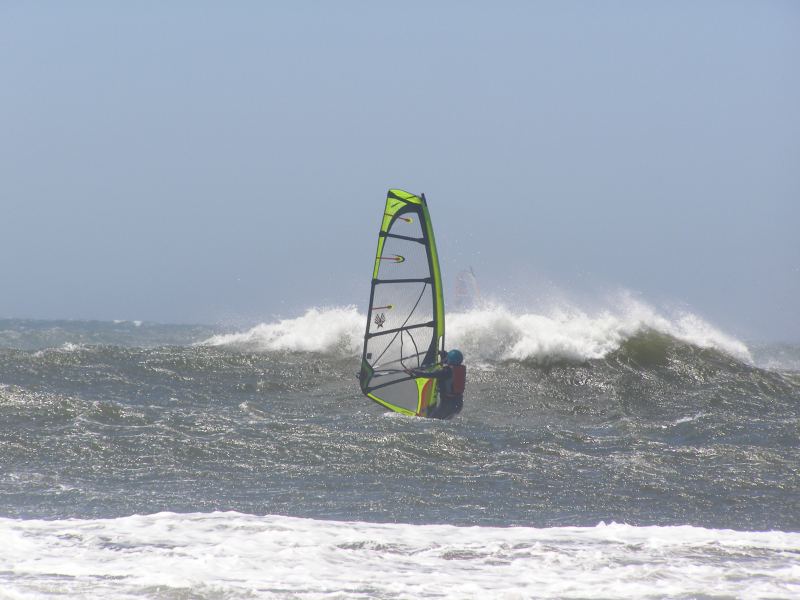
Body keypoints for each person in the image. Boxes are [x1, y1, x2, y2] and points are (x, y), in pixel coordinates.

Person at [407, 349, 466, 419]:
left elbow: (429, 374)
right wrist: (442, 353)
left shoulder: (446, 372)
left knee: (431, 420)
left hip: (448, 404)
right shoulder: (458, 369)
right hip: (458, 404)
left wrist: (413, 372)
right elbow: (449, 360)